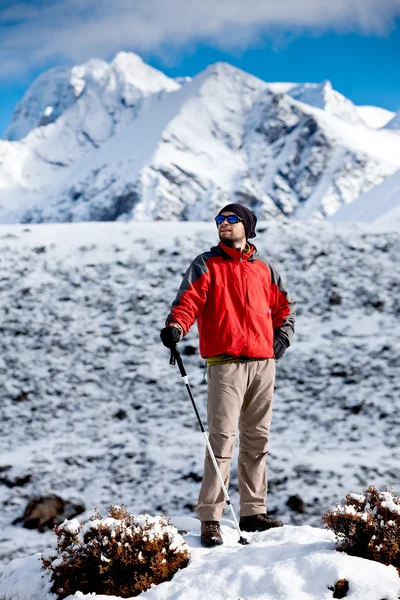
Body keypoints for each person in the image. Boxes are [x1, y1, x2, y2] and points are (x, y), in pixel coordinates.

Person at [160, 204, 295, 547]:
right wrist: (176, 327)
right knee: (221, 440)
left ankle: (253, 512)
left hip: (263, 366)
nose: (222, 224)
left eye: (230, 219)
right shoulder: (206, 264)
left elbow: (283, 309)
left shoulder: (264, 269)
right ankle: (211, 518)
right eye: (219, 219)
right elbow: (188, 301)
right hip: (225, 365)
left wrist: (279, 340)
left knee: (257, 440)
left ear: (247, 226)